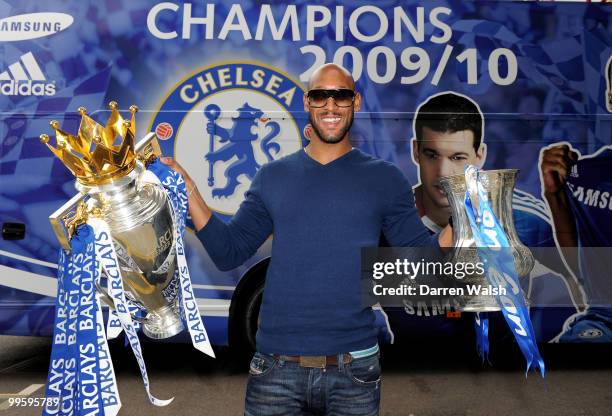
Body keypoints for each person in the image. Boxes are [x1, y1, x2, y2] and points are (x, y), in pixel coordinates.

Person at [162, 63, 452, 416]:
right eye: (320, 96)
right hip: (276, 371)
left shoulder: (385, 179)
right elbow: (228, 251)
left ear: (356, 102)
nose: (331, 106)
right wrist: (189, 189)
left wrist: (468, 219)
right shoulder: (272, 177)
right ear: (307, 102)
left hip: (355, 371)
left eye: (341, 95)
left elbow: (421, 260)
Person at [399, 92, 585, 340]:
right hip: (418, 365)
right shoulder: (392, 219)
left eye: (457, 158)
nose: (443, 172)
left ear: (480, 156)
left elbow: (578, 294)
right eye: (432, 155)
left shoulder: (527, 219)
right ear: (415, 151)